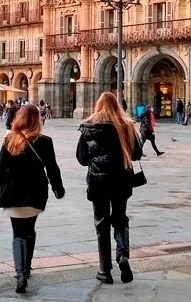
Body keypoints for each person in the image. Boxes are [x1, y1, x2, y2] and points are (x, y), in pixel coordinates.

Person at [77, 92, 144, 284]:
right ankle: (123, 257)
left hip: (98, 181)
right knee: (120, 219)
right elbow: (137, 154)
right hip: (121, 180)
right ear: (117, 106)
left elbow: (82, 159)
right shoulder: (127, 125)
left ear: (98, 106)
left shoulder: (88, 128)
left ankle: (104, 270)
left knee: (101, 223)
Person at [0, 104, 65, 294]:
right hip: (35, 193)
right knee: (29, 230)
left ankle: (20, 275)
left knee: (17, 233)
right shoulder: (44, 141)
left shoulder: (10, 139)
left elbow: (1, 168)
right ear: (37, 119)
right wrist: (58, 189)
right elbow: (52, 168)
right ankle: (26, 269)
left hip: (12, 194)